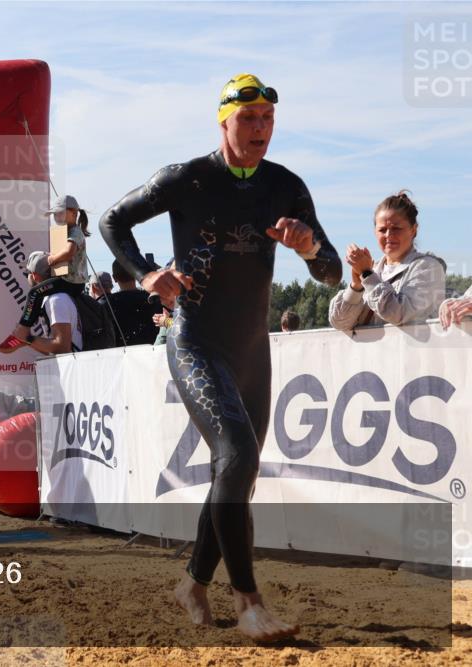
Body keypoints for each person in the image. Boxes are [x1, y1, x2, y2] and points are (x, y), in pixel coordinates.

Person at [99, 73, 341, 641]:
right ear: (224, 121)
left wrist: (309, 250)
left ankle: (192, 582)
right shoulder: (185, 178)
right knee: (235, 456)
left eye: (268, 120)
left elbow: (330, 269)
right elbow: (112, 220)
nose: (260, 129)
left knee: (235, 474)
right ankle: (250, 603)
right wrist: (146, 273)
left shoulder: (286, 186)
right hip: (197, 342)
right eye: (249, 119)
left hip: (252, 351)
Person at [329, 191, 446, 332]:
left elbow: (400, 314)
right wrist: (356, 286)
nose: (389, 235)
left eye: (396, 228)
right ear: (375, 232)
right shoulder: (374, 269)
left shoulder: (428, 267)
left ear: (413, 230)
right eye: (382, 230)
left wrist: (367, 274)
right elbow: (340, 323)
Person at [0, 195, 90, 353]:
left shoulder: (74, 232)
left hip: (71, 282)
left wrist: (50, 259)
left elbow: (68, 253)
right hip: (71, 281)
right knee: (38, 296)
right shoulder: (66, 233)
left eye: (60, 213)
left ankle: (23, 331)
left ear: (73, 213)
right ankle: (25, 334)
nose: (56, 217)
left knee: (34, 292)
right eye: (55, 215)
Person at [18, 250, 82, 355]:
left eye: (27, 274)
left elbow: (63, 348)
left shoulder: (56, 300)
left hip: (71, 367)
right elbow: (51, 350)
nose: (27, 277)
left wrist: (27, 338)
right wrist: (27, 341)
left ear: (35, 276)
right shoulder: (52, 298)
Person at [107, 259, 161, 346]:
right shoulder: (152, 299)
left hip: (121, 355)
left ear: (114, 278)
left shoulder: (108, 304)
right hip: (152, 352)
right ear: (135, 275)